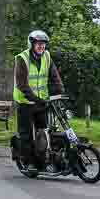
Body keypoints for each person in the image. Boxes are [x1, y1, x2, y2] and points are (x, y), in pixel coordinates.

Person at [13, 30, 64, 170]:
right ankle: (28, 162)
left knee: (44, 131)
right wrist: (35, 99)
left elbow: (54, 76)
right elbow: (22, 85)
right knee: (27, 134)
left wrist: (60, 90)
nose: (41, 47)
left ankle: (43, 159)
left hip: (41, 102)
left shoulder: (47, 56)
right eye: (38, 44)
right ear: (32, 44)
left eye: (43, 44)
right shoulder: (22, 59)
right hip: (25, 102)